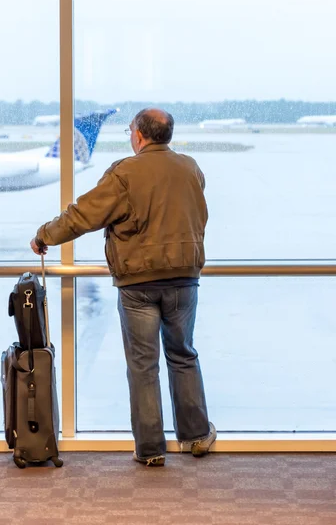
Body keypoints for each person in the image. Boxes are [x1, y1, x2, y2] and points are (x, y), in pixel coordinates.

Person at [30, 108, 216, 466]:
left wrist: (45, 235)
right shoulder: (191, 168)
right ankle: (195, 436)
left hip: (138, 283)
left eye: (130, 129)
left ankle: (150, 451)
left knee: (143, 366)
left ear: (140, 136)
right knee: (183, 356)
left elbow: (83, 215)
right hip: (184, 278)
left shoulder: (125, 173)